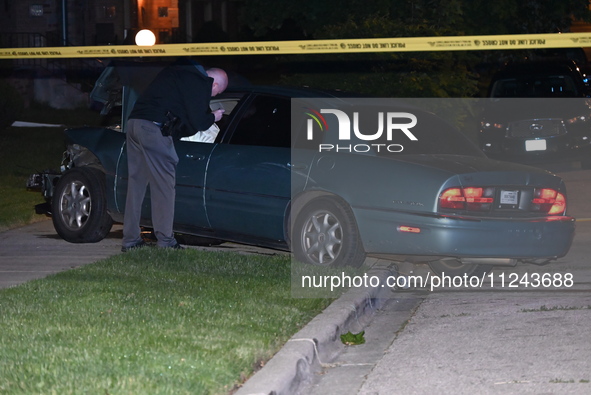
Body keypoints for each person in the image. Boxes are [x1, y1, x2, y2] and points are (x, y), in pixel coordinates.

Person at [121, 58, 228, 252]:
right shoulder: (199, 82)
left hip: (135, 124)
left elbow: (183, 120)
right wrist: (215, 116)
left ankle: (130, 240)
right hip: (153, 128)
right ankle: (166, 241)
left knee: (136, 184)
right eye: (216, 93)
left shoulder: (178, 73)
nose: (212, 95)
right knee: (164, 187)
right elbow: (199, 120)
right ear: (216, 84)